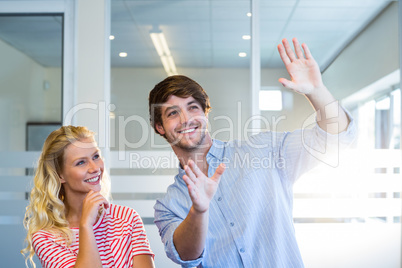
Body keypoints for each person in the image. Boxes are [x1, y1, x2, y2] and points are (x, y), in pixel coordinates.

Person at [149, 38, 356, 267]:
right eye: (172, 113)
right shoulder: (168, 205)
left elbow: (337, 137)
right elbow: (185, 255)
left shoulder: (263, 150)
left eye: (192, 107)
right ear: (160, 127)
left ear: (205, 114)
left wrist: (317, 91)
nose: (186, 119)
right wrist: (199, 210)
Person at [21, 126, 155, 268]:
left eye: (95, 156)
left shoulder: (127, 218)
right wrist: (86, 225)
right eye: (81, 162)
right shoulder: (46, 238)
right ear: (60, 175)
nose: (95, 168)